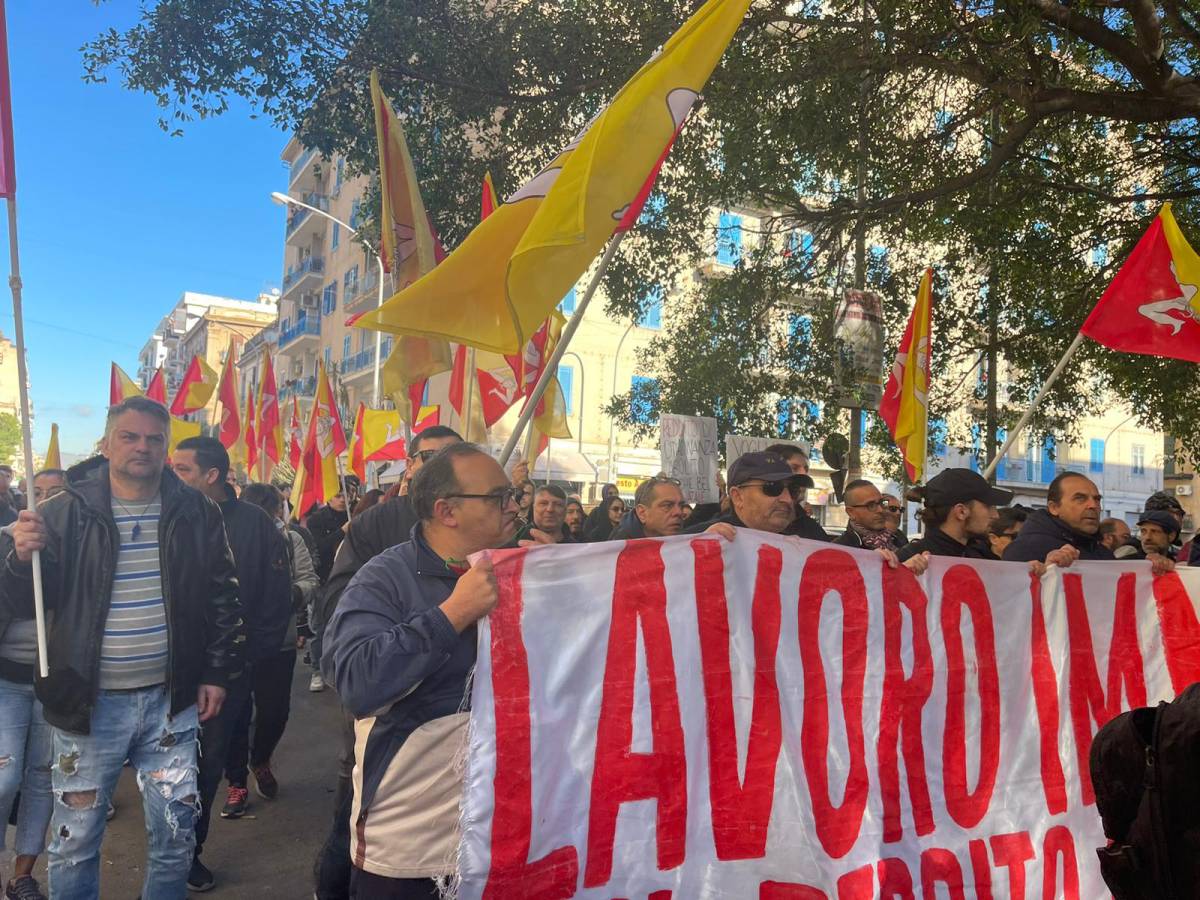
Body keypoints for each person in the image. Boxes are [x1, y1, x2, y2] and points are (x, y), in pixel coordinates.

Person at [0, 396, 243, 900]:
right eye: (130, 437)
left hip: (170, 703)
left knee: (174, 836)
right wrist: (21, 560)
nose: (143, 447)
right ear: (107, 443)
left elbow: (223, 594)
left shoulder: (196, 510)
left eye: (155, 439)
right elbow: (26, 603)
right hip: (88, 705)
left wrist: (217, 671)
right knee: (76, 840)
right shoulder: (62, 512)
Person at [321, 442, 522, 897]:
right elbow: (356, 681)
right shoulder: (384, 578)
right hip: (412, 848)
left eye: (512, 494)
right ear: (446, 511)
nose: (513, 507)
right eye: (497, 497)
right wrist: (452, 613)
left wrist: (710, 554)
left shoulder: (528, 567)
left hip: (510, 838)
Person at [309, 425, 462, 900]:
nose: (437, 464)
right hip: (385, 702)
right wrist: (418, 625)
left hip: (454, 716)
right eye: (427, 456)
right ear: (411, 466)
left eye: (449, 456)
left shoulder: (486, 525)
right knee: (358, 811)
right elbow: (339, 607)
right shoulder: (377, 526)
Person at [169, 437, 292, 891]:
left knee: (204, 766)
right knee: (166, 769)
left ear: (212, 475)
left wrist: (239, 659)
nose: (172, 475)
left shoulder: (256, 525)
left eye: (183, 469)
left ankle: (188, 853)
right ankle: (167, 848)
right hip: (167, 670)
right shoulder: (167, 515)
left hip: (227, 672)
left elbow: (273, 597)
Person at [1003, 471, 1173, 574]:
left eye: (1097, 499)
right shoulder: (1023, 550)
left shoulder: (1101, 552)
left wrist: (1151, 569)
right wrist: (1045, 573)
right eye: (1080, 498)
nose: (1093, 505)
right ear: (1054, 507)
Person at [898, 469, 1014, 561]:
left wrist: (1026, 573)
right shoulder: (908, 561)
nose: (996, 515)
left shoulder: (981, 556)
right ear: (961, 512)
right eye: (989, 506)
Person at [835, 479, 907, 552]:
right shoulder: (840, 550)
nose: (881, 510)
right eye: (871, 505)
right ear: (851, 512)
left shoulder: (898, 538)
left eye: (882, 502)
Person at [611, 476, 687, 540]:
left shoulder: (686, 543)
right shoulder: (618, 549)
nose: (679, 512)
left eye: (681, 506)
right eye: (667, 505)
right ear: (642, 513)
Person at [307, 492, 349, 584]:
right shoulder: (316, 519)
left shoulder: (351, 516)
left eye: (345, 496)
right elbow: (319, 547)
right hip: (325, 575)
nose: (342, 500)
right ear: (329, 498)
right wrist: (342, 531)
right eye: (338, 496)